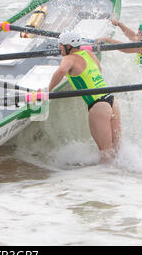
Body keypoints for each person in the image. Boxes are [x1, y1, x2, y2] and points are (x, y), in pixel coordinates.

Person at [47, 32, 121, 162]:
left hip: (98, 105)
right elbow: (99, 70)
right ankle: (124, 180)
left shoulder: (69, 58)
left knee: (106, 154)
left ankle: (106, 180)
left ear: (68, 46)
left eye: (61, 46)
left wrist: (47, 90)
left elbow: (61, 71)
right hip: (111, 100)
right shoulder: (89, 54)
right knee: (117, 150)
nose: (60, 49)